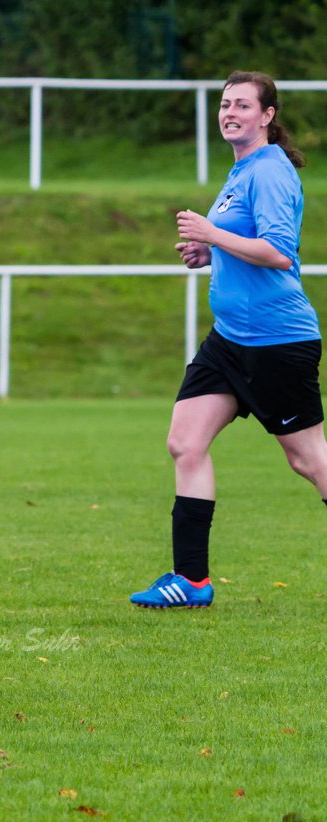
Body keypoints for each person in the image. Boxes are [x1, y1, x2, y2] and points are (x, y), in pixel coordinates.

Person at [131, 71, 327, 609]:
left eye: (243, 104)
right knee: (186, 441)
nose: (230, 112)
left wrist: (212, 234)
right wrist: (211, 253)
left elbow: (279, 252)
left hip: (276, 340)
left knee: (309, 460)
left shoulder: (271, 171)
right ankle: (190, 581)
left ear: (267, 116)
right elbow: (246, 245)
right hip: (229, 341)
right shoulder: (242, 170)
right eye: (225, 104)